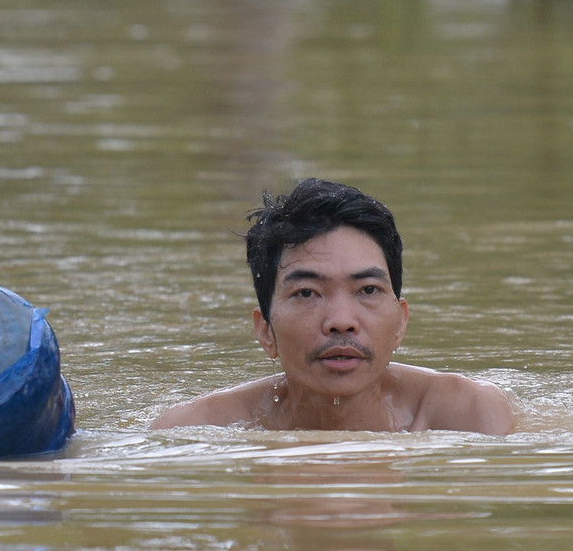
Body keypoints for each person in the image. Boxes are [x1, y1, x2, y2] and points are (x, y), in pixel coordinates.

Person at [152, 179, 516, 435]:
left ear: (401, 322)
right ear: (265, 331)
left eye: (368, 290)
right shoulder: (196, 429)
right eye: (308, 294)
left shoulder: (467, 415)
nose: (341, 322)